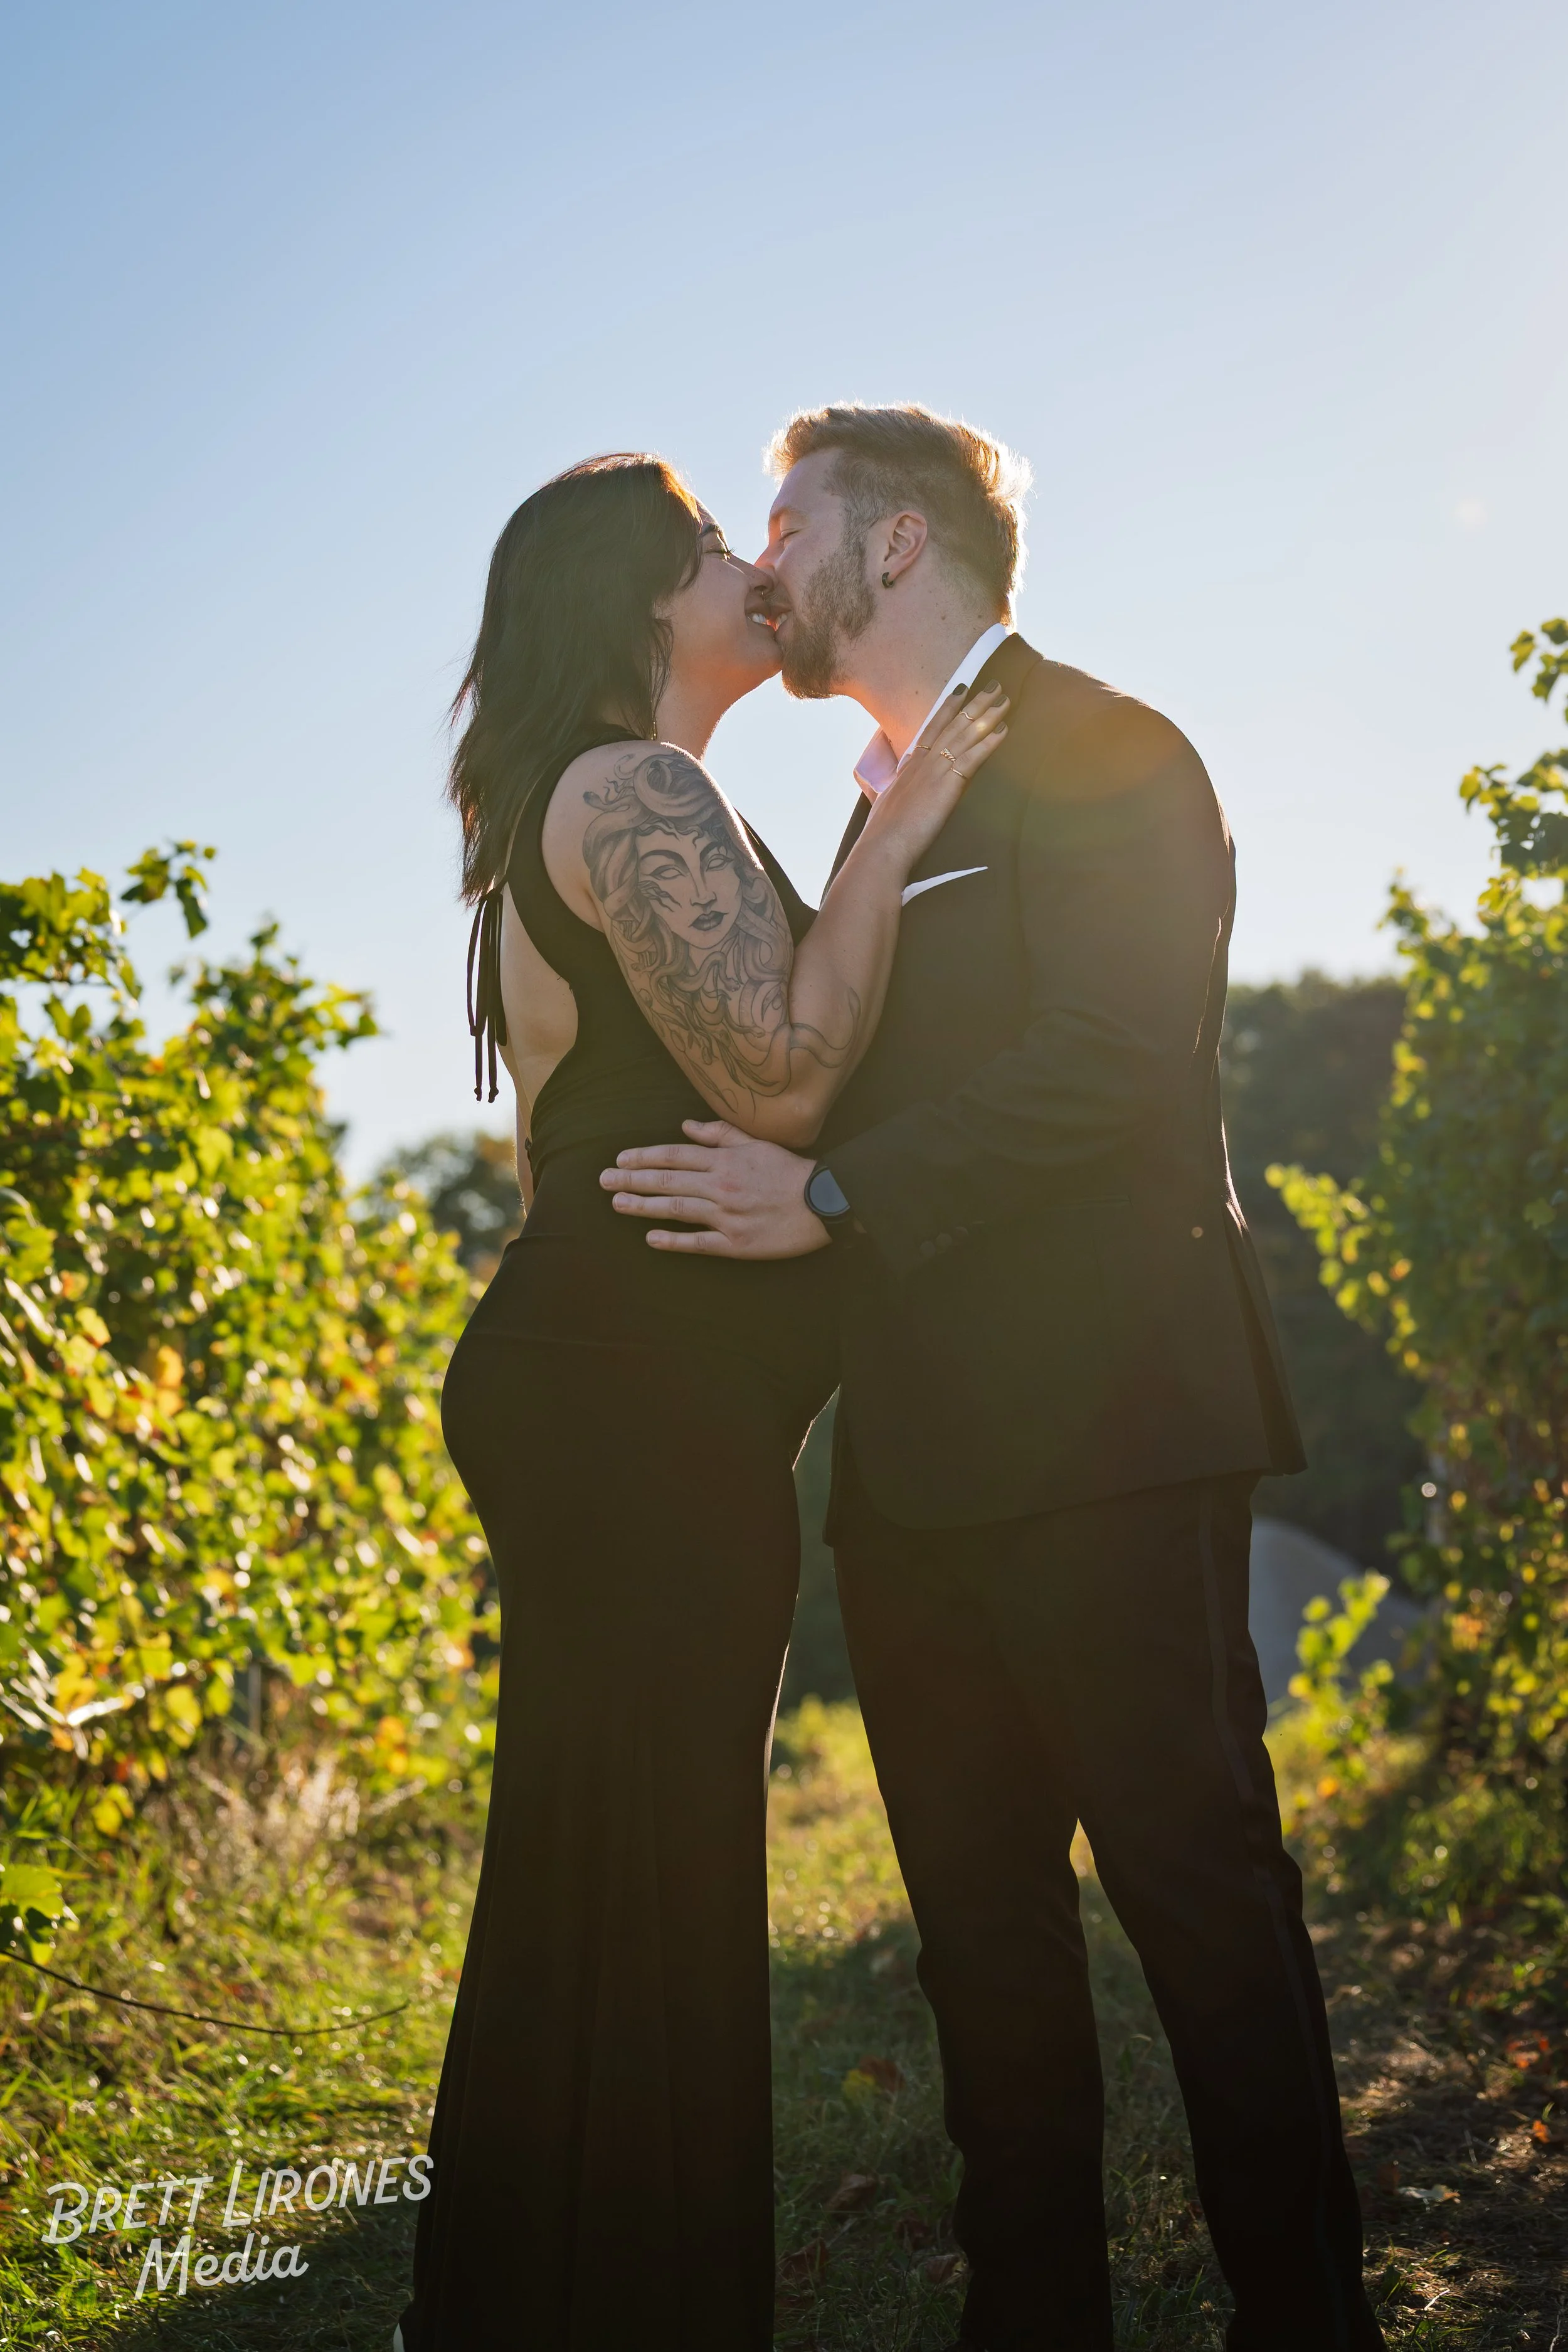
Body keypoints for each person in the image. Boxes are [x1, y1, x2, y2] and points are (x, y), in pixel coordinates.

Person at [605, 405, 1387, 2352]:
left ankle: (1308, 2315)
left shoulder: (1110, 748)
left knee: (1200, 1907)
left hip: (1119, 1434)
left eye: (784, 519)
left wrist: (841, 1188)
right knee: (977, 1940)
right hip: (915, 1473)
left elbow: (1118, 1056)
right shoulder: (870, 810)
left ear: (893, 549)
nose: (760, 558)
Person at [395, 450, 1009, 2352]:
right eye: (709, 548)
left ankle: (539, 2297)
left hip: (619, 1398)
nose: (755, 567)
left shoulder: (607, 802)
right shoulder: (633, 787)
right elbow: (790, 1079)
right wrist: (897, 838)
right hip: (633, 1414)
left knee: (601, 1862)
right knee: (649, 1868)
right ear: (638, 604)